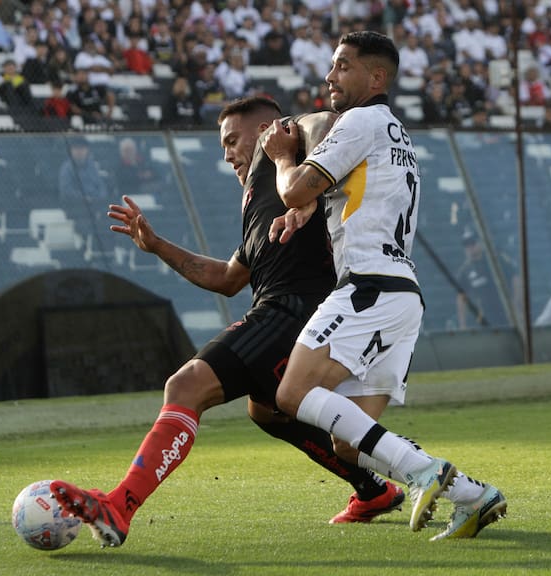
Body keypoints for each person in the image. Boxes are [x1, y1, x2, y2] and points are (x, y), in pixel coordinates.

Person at [50, 97, 406, 547]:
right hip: (291, 310)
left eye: (232, 140)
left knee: (185, 387)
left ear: (266, 130)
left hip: (295, 310)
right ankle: (373, 490)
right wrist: (157, 245)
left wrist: (304, 185)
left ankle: (119, 506)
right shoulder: (260, 196)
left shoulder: (286, 152)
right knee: (267, 410)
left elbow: (326, 123)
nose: (226, 154)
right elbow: (227, 278)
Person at [261, 31, 505, 540]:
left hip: (367, 286)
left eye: (343, 66)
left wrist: (283, 157)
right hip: (400, 295)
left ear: (376, 77)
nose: (330, 76)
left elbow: (294, 186)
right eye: (332, 66)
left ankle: (424, 471)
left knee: (290, 393)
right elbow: (344, 190)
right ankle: (473, 495)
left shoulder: (361, 120)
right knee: (350, 443)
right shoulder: (394, 132)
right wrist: (309, 207)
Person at [455, 230, 510, 329]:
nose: (470, 248)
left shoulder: (496, 262)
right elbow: (461, 298)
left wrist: (517, 306)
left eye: (473, 243)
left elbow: (514, 276)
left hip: (504, 317)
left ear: (480, 243)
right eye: (467, 245)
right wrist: (462, 324)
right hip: (481, 321)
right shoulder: (464, 271)